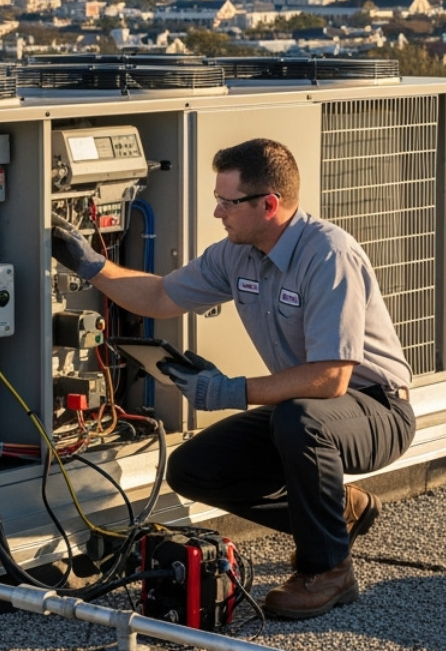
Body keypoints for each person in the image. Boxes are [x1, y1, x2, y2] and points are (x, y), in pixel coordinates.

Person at [50, 137, 415, 619]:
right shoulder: (235, 255)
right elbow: (160, 296)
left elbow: (331, 379)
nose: (218, 212)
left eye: (228, 201)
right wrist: (90, 265)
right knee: (193, 469)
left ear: (269, 204)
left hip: (377, 410)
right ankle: (339, 510)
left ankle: (328, 570)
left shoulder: (328, 254)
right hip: (304, 409)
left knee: (301, 421)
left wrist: (230, 391)